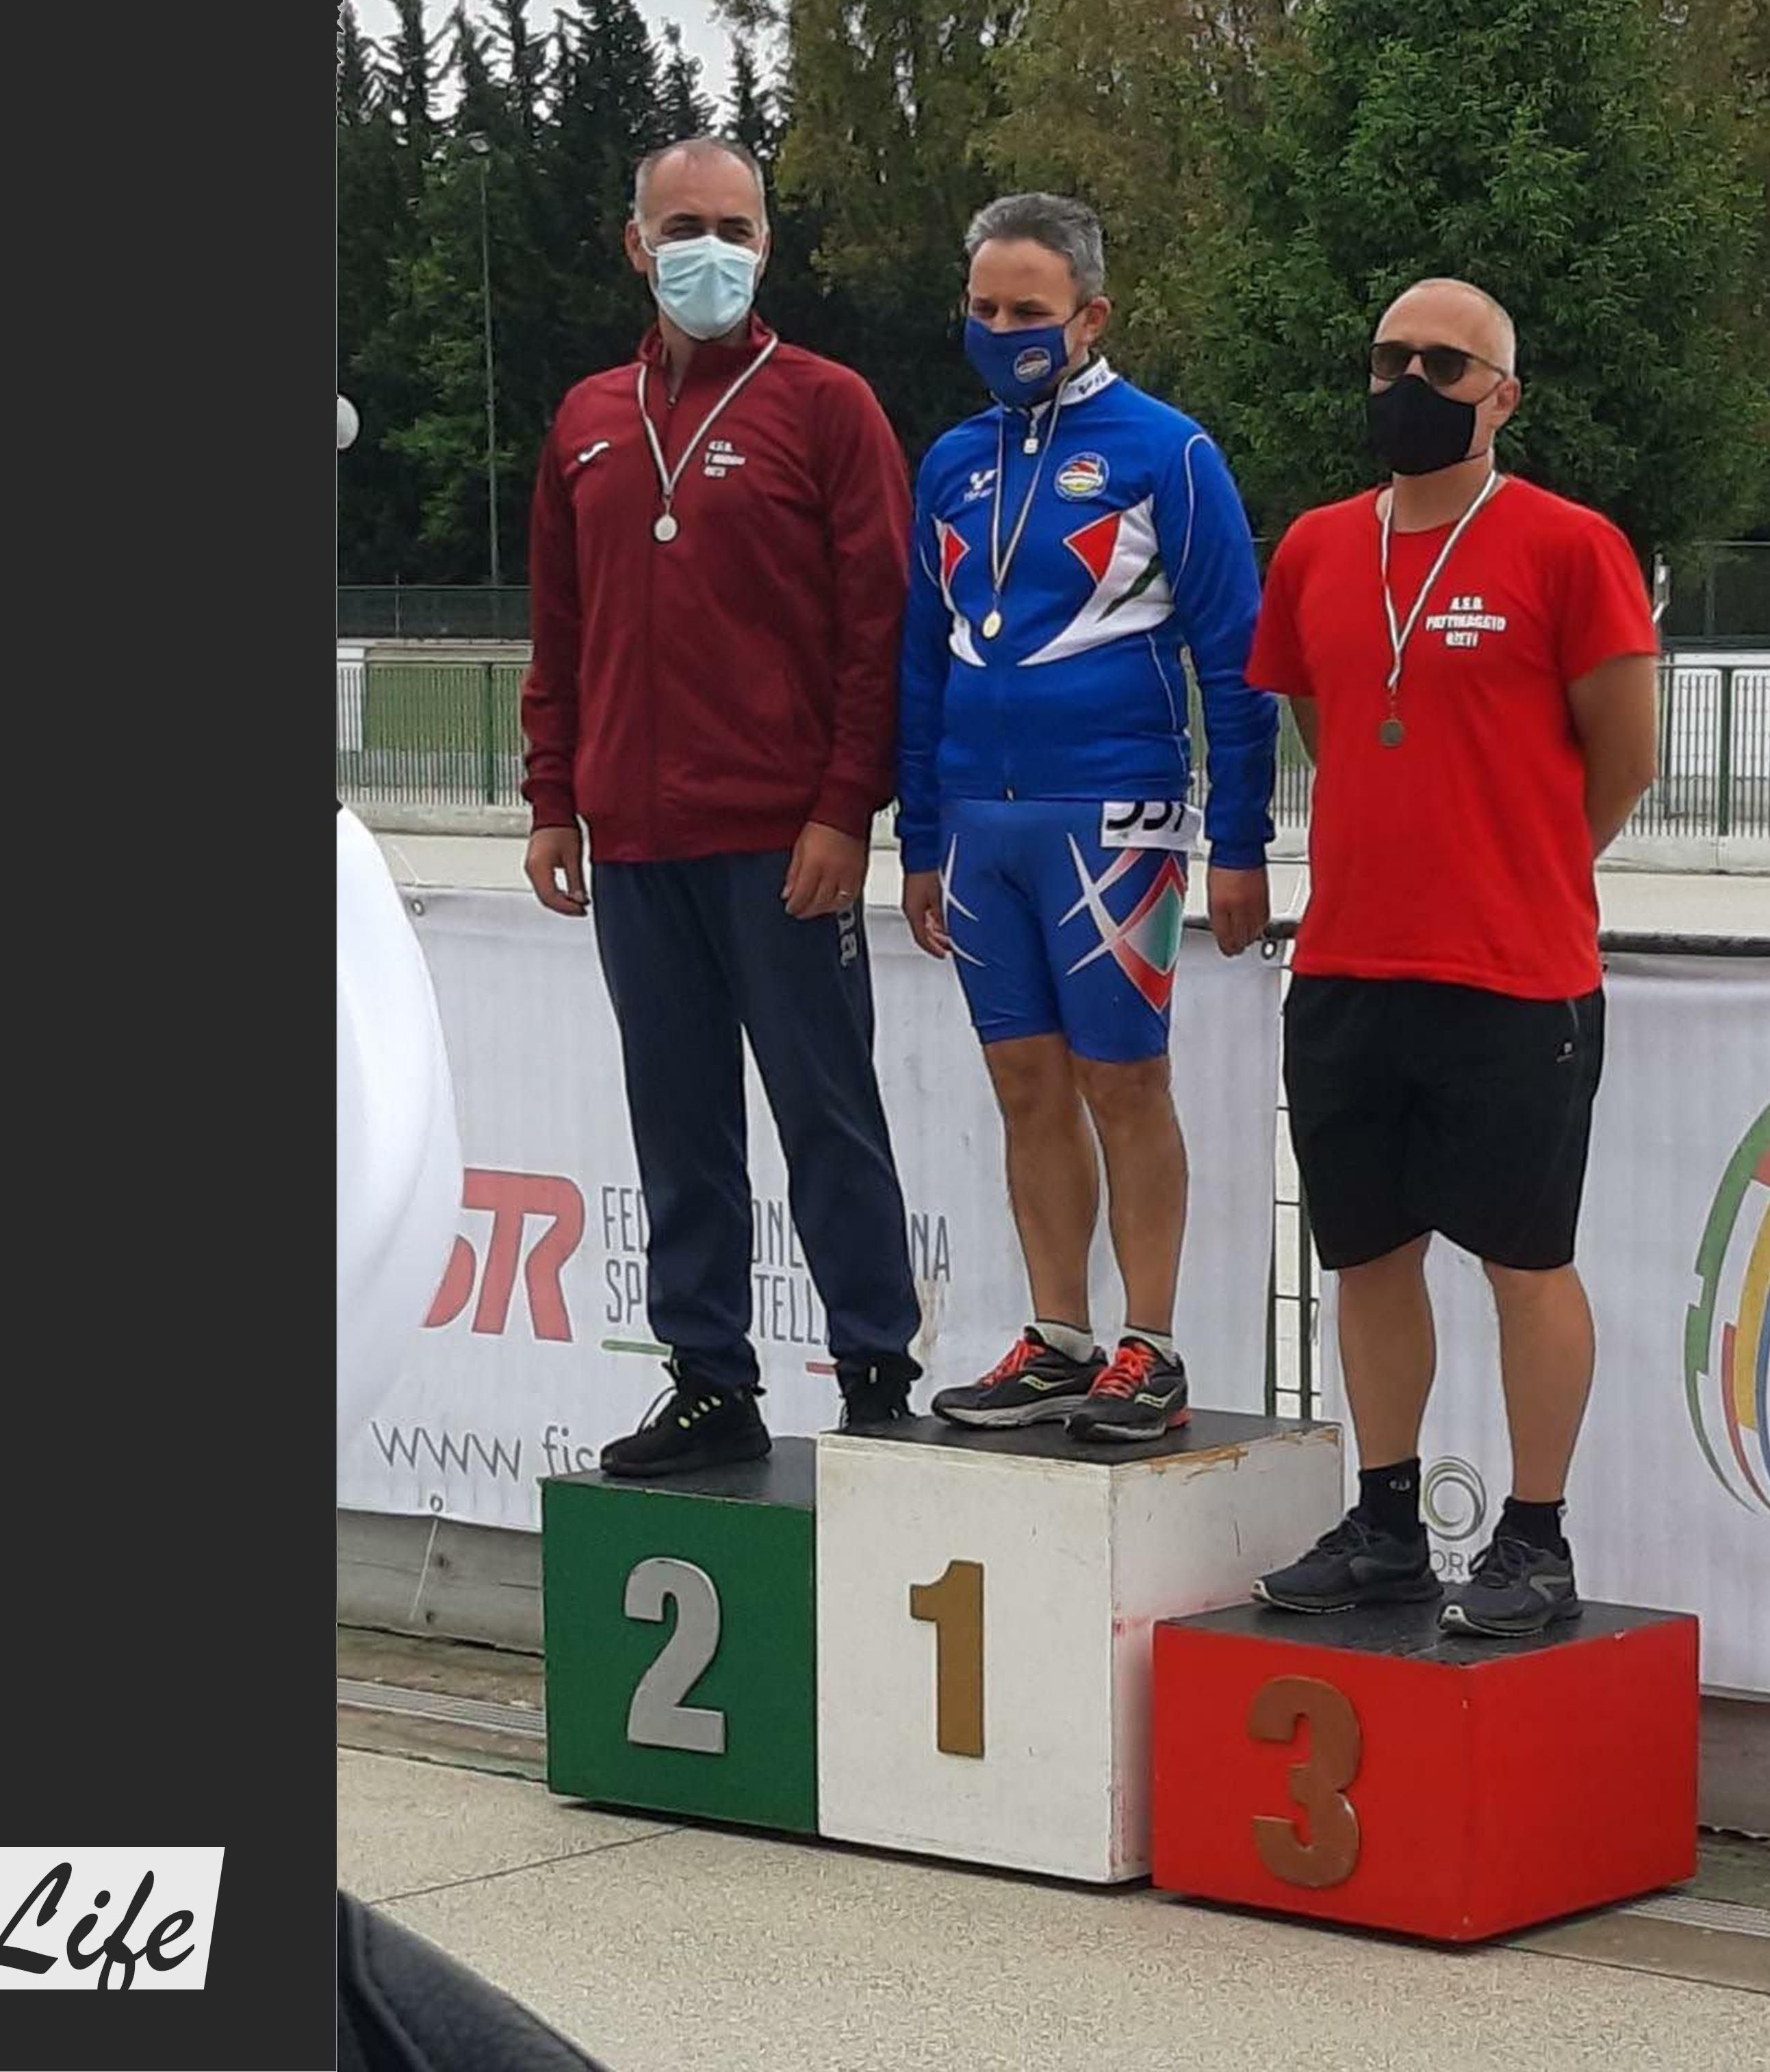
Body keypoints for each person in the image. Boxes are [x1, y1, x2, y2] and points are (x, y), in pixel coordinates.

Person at [1241, 277, 1661, 1635]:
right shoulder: (1316, 548)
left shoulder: (1570, 546)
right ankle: (1386, 1523)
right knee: (1367, 1254)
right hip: (1349, 964)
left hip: (1514, 974)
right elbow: (1322, 724)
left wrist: (1518, 866)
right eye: (1389, 358)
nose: (1409, 382)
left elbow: (1626, 757)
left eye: (1444, 362)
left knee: (1523, 1261)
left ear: (1503, 396)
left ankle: (1535, 1538)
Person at [520, 136, 924, 1475]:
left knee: (827, 1114)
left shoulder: (827, 405)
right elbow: (561, 626)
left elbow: (878, 627)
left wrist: (844, 808)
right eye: (683, 225)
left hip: (779, 841)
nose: (711, 249)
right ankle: (708, 1378)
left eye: (734, 228)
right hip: (635, 842)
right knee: (678, 1127)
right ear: (636, 244)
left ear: (767, 245)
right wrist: (552, 797)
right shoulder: (587, 416)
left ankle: (876, 1374)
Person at [895, 194, 1277, 1442]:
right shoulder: (951, 462)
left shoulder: (1168, 452)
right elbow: (921, 658)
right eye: (984, 309)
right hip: (979, 824)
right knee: (1023, 1084)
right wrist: (920, 835)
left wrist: (1240, 841)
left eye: (1030, 311)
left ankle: (1150, 1346)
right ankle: (1059, 1337)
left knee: (1124, 1079)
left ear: (1092, 315)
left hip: (1116, 817)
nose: (1003, 331)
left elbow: (1239, 661)